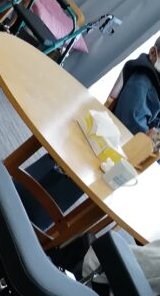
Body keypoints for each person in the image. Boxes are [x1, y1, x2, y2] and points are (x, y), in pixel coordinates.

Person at [20, 34, 160, 231]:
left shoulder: (154, 83)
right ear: (153, 53)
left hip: (111, 147)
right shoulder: (143, 81)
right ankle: (23, 216)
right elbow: (131, 125)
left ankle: (25, 210)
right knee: (59, 184)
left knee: (56, 181)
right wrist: (150, 141)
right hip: (106, 149)